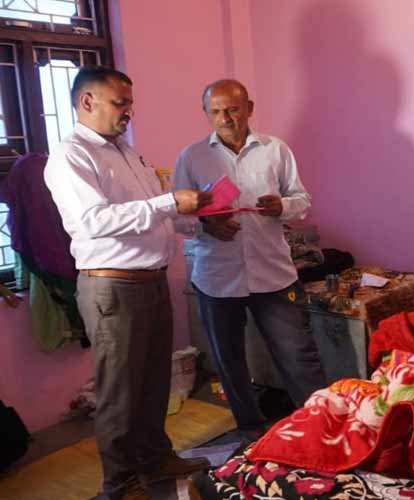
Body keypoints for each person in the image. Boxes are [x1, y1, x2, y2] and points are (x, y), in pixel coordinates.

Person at [44, 66, 212, 500]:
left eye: (130, 104)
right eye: (120, 103)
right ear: (87, 102)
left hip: (150, 281)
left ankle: (155, 460)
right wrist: (169, 200)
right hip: (113, 288)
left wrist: (200, 221)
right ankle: (119, 484)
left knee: (155, 381)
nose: (129, 113)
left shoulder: (126, 153)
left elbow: (148, 218)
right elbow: (93, 222)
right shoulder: (71, 156)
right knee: (119, 391)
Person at [173, 79, 327, 432]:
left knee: (299, 359)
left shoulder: (276, 150)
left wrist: (282, 206)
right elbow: (177, 216)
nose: (225, 118)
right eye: (215, 111)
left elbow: (302, 201)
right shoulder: (192, 157)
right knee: (230, 363)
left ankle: (322, 429)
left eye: (232, 109)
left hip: (273, 275)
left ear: (250, 108)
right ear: (206, 114)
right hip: (217, 279)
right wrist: (206, 227)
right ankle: (251, 434)